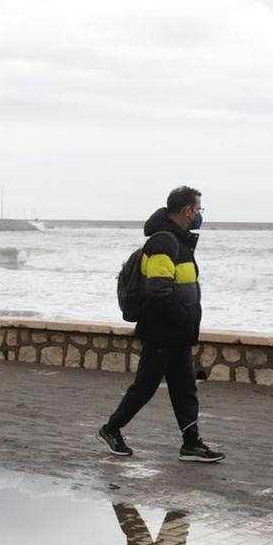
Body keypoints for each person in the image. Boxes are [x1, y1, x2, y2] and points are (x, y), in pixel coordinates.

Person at [97, 186, 225, 463]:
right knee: (145, 386)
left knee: (185, 388)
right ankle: (110, 430)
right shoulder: (163, 242)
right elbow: (158, 290)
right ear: (188, 210)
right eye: (198, 209)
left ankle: (191, 443)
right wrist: (182, 318)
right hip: (162, 332)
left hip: (176, 333)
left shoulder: (179, 242)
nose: (200, 214)